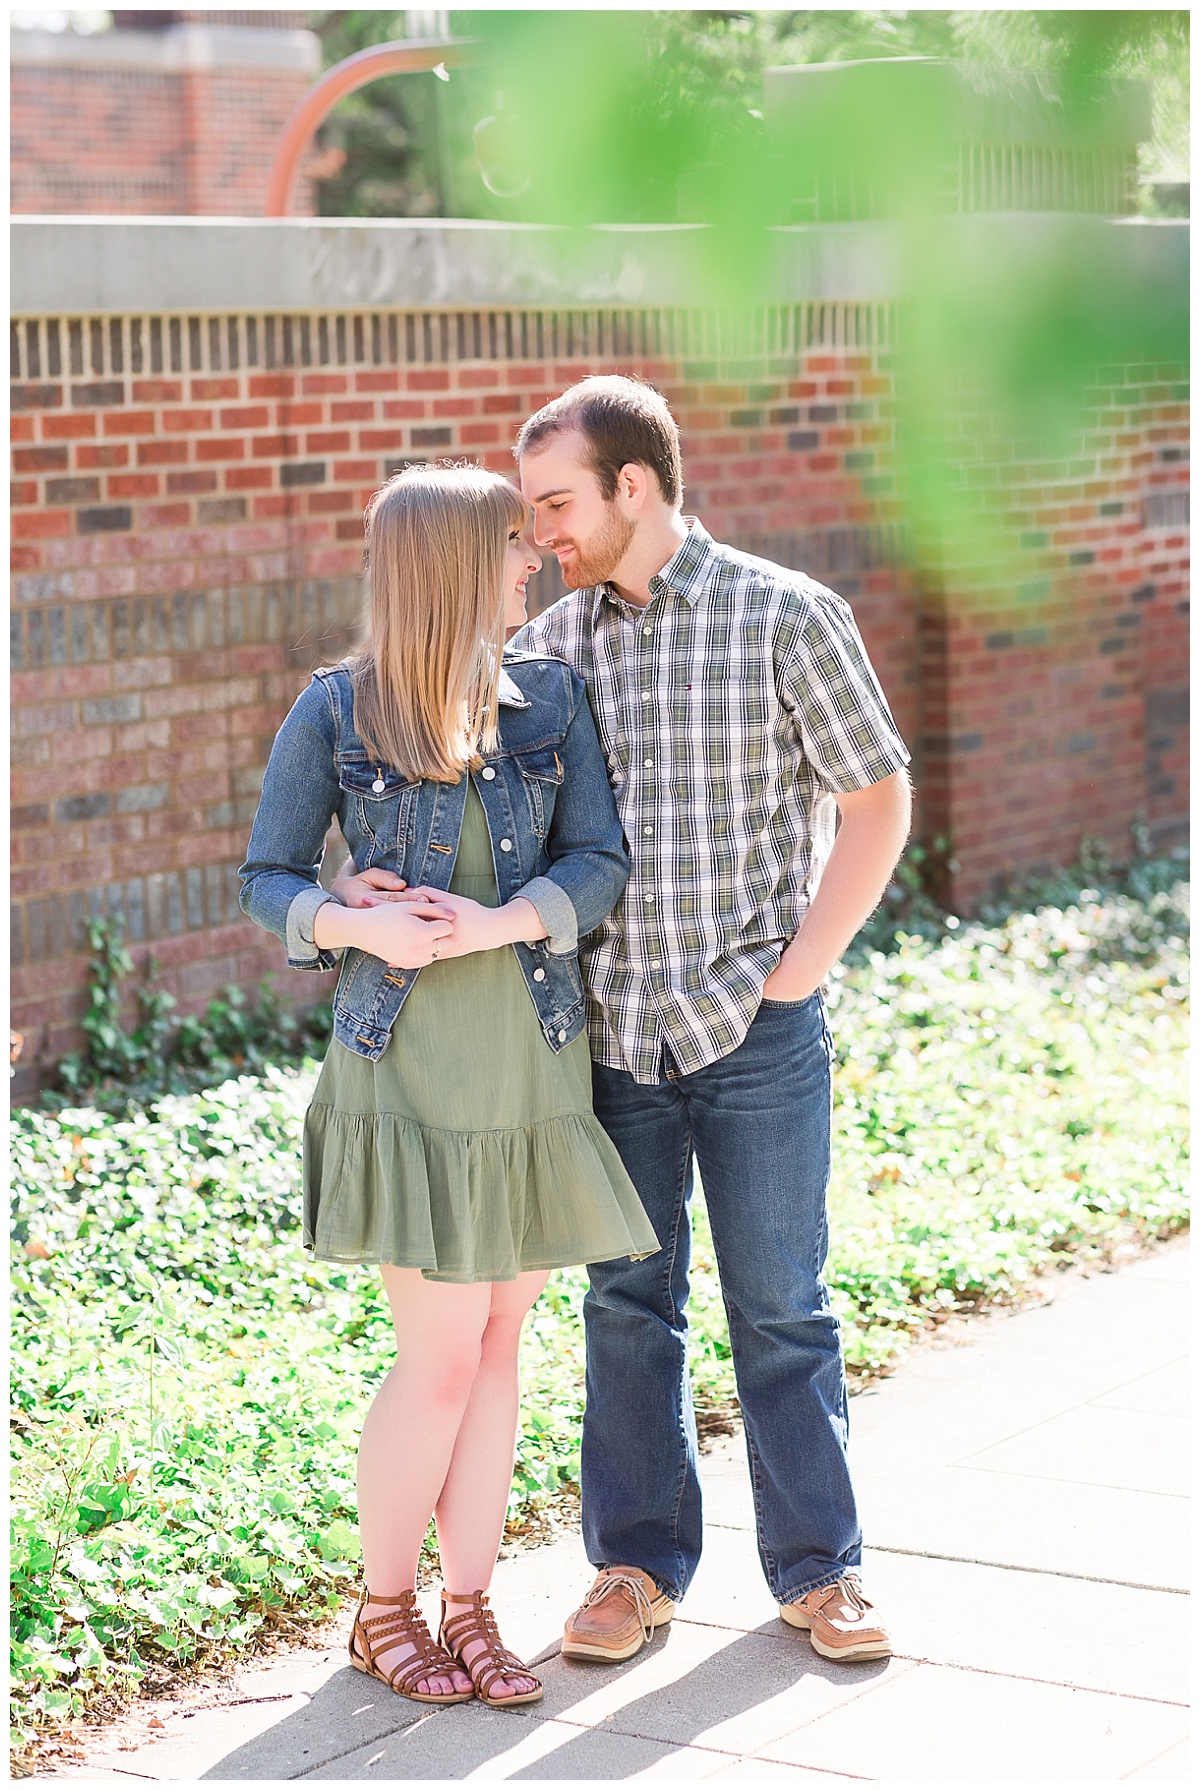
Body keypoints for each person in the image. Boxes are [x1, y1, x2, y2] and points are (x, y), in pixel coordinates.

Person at [239, 463, 659, 1710]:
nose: (532, 561)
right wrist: (350, 922)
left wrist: (488, 925)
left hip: (530, 1058)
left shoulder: (550, 698)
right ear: (450, 564)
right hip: (403, 1067)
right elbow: (267, 878)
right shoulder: (335, 712)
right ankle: (383, 1611)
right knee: (434, 1357)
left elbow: (598, 858)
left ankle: (470, 1606)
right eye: (510, 547)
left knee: (498, 1344)